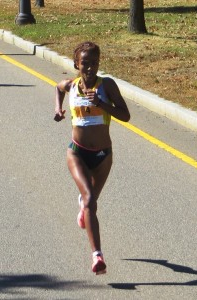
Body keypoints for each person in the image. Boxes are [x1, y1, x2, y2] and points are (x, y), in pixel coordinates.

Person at [54, 41, 130, 275]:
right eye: (84, 63)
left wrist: (101, 103)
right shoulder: (71, 85)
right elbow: (57, 87)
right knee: (89, 201)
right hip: (77, 152)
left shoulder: (106, 86)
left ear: (99, 64)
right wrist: (58, 109)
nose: (89, 68)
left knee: (90, 202)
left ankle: (83, 208)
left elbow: (125, 115)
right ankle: (97, 255)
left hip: (103, 156)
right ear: (76, 64)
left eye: (94, 63)